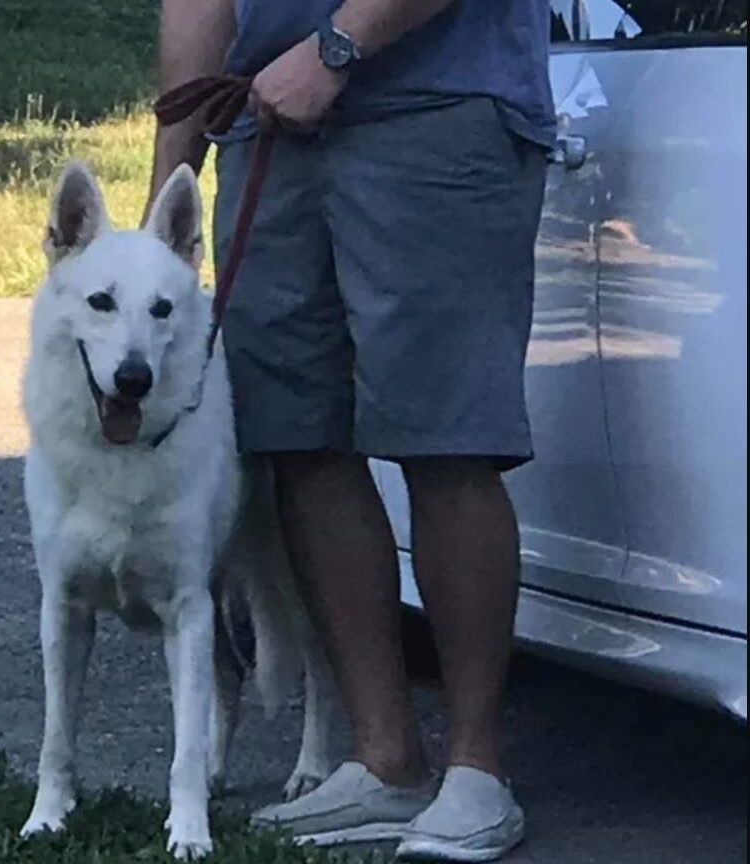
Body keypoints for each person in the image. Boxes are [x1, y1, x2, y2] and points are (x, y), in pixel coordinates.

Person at [147, 0, 555, 859]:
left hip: (436, 112)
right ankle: (385, 762)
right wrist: (162, 212)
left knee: (446, 435)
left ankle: (478, 775)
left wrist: (338, 48)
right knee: (295, 436)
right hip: (267, 122)